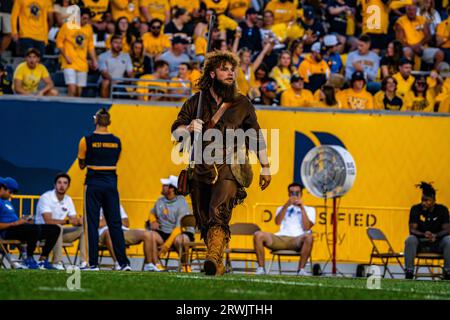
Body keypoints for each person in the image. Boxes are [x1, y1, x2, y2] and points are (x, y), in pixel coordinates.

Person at [171, 51, 271, 276]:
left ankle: (212, 258)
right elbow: (175, 130)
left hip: (230, 165)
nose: (230, 73)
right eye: (225, 69)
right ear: (213, 73)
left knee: (218, 211)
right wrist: (187, 129)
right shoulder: (196, 102)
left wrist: (265, 166)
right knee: (204, 219)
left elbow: (255, 136)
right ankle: (217, 265)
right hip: (200, 167)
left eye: (232, 69)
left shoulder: (241, 103)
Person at [77, 108, 131, 271]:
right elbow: (115, 160)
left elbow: (81, 164)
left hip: (93, 184)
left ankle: (92, 264)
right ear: (109, 122)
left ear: (95, 120)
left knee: (91, 224)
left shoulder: (86, 140)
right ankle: (124, 263)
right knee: (115, 224)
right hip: (111, 184)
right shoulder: (117, 141)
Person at [253, 183, 315, 276]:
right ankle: (261, 268)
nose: (294, 195)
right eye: (291, 193)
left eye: (297, 193)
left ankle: (301, 270)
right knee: (258, 235)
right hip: (280, 239)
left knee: (309, 237)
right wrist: (286, 205)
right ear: (288, 194)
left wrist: (302, 208)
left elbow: (307, 227)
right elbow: (277, 222)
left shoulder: (310, 209)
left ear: (301, 194)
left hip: (297, 240)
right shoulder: (282, 208)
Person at [0, 177, 60, 270]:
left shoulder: (6, 201)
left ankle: (42, 260)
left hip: (18, 227)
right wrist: (15, 223)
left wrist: (24, 220)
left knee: (54, 229)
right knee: (34, 229)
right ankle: (29, 258)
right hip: (7, 231)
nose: (11, 195)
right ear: (2, 188)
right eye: (10, 192)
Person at [35, 173, 87, 270]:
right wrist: (68, 221)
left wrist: (79, 221)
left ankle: (84, 262)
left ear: (68, 186)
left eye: (65, 183)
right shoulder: (46, 197)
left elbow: (73, 219)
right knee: (57, 227)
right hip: (42, 232)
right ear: (55, 185)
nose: (62, 185)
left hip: (59, 233)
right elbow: (48, 221)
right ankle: (57, 262)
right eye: (59, 183)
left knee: (83, 229)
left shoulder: (68, 199)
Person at [145, 175, 194, 272]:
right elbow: (151, 212)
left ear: (172, 189)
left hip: (181, 232)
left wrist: (166, 246)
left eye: (165, 185)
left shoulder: (181, 203)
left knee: (180, 240)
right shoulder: (160, 200)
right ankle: (156, 265)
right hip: (164, 232)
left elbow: (178, 228)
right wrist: (153, 220)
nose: (162, 186)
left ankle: (185, 265)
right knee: (150, 235)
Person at [404, 182, 450, 280]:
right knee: (410, 239)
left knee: (448, 240)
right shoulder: (415, 209)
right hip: (420, 243)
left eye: (426, 200)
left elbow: (447, 229)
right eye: (422, 200)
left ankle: (448, 272)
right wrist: (424, 234)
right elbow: (412, 230)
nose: (423, 203)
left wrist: (435, 236)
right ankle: (409, 272)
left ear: (433, 200)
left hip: (437, 243)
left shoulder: (442, 209)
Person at [98, 204, 164, 271]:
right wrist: (115, 219)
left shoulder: (115, 203)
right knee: (110, 232)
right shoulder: (94, 204)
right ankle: (119, 263)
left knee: (147, 234)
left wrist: (108, 220)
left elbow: (126, 223)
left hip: (121, 231)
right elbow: (98, 224)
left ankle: (149, 265)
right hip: (103, 233)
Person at [56, 8, 98, 97]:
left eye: (87, 19)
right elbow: (59, 42)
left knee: (79, 93)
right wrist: (65, 56)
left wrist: (94, 60)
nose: (86, 21)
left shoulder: (89, 28)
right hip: (69, 62)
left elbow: (90, 46)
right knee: (72, 89)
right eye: (84, 18)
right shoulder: (67, 26)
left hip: (82, 63)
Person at [395, 4, 444, 69]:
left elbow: (428, 36)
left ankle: (434, 75)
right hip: (407, 47)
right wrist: (412, 47)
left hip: (421, 47)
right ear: (406, 11)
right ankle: (409, 74)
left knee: (440, 54)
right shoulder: (400, 21)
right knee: (407, 52)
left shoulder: (422, 19)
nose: (411, 12)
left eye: (413, 10)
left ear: (416, 11)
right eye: (409, 10)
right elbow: (399, 40)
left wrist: (419, 45)